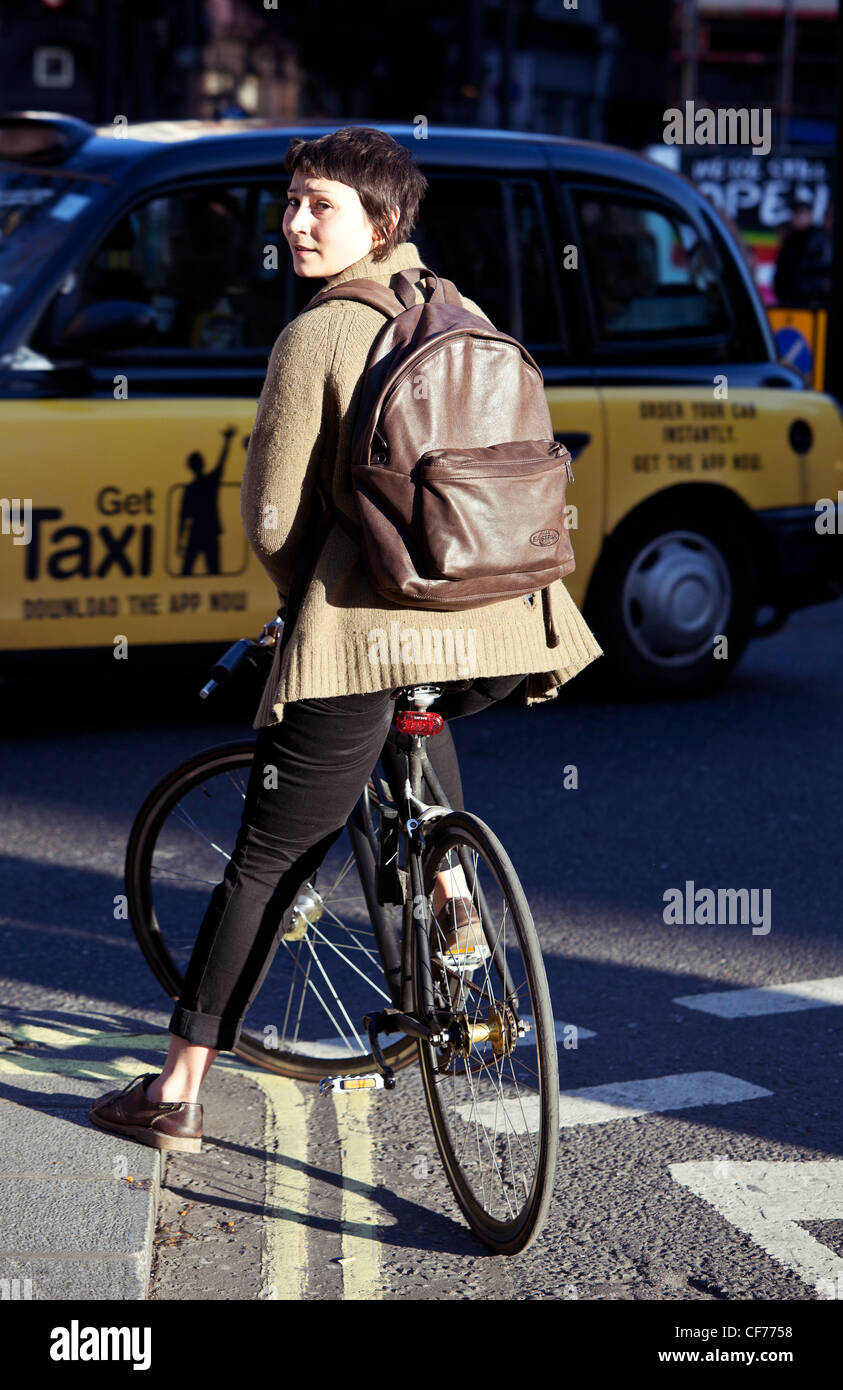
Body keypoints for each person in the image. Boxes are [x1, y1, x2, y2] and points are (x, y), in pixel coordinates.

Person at [89, 126, 603, 1151]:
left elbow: (276, 523)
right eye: (291, 204)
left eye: (319, 205)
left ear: (383, 220)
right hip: (502, 622)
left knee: (268, 857)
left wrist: (305, 606)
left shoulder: (318, 332)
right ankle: (459, 948)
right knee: (420, 764)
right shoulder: (463, 310)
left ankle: (178, 1092)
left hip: (371, 633)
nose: (294, 224)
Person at [774, 194, 832, 308]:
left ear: (810, 216)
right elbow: (781, 272)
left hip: (813, 303)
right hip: (789, 301)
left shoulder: (820, 240)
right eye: (796, 214)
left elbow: (821, 273)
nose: (799, 218)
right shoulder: (789, 240)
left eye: (802, 213)